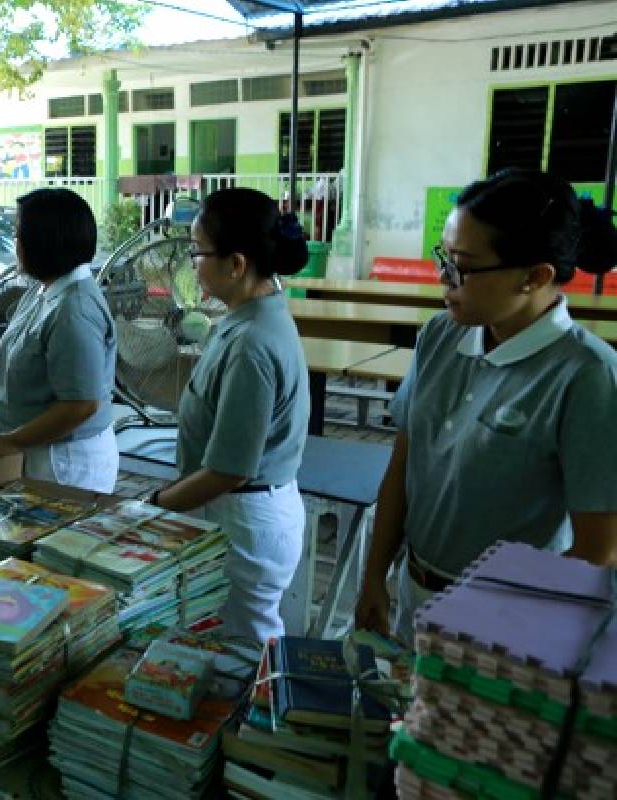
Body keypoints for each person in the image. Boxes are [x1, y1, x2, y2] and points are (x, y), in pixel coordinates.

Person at [354, 168, 617, 646]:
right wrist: (376, 574)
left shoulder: (586, 376)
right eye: (444, 257)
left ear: (535, 276)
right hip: (417, 588)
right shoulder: (440, 335)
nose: (444, 277)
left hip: (506, 625)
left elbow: (600, 548)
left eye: (463, 267)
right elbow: (405, 463)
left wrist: (506, 626)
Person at [148, 187, 311, 644]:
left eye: (198, 252)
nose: (192, 264)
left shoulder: (251, 342)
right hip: (244, 511)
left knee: (241, 647)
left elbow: (229, 469)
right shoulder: (252, 316)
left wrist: (154, 506)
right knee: (229, 638)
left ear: (237, 264)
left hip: (244, 520)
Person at [0, 188, 119, 493]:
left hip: (64, 460)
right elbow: (7, 361)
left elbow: (81, 404)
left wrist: (11, 441)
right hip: (34, 448)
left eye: (18, 235)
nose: (15, 245)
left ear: (43, 242)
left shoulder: (73, 310)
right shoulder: (44, 290)